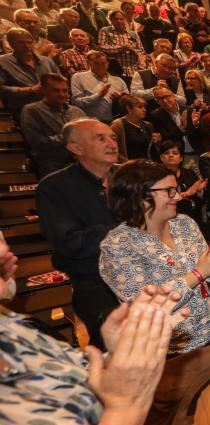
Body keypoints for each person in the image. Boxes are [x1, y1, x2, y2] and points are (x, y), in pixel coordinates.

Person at [0, 257, 188, 425]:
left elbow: (74, 384)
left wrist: (121, 352)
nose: (6, 250)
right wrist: (125, 411)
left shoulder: (13, 327)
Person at [100, 159, 210, 352]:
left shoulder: (184, 224)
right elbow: (144, 305)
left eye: (176, 189)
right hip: (168, 350)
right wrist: (198, 273)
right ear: (139, 196)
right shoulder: (118, 245)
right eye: (169, 191)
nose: (178, 197)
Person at [35, 119, 122, 349]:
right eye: (100, 138)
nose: (111, 143)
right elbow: (70, 243)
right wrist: (124, 231)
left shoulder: (127, 177)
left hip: (142, 273)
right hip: (96, 283)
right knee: (114, 349)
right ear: (76, 148)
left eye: (112, 137)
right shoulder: (54, 187)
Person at [19, 73, 85, 178]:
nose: (62, 94)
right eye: (55, 90)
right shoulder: (32, 110)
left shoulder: (77, 111)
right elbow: (37, 142)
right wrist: (70, 137)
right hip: (50, 165)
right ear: (44, 91)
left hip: (80, 163)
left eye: (64, 91)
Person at [0, 27, 60, 117]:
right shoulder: (3, 62)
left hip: (53, 110)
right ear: (11, 44)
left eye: (29, 42)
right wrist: (31, 90)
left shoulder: (46, 61)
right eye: (20, 43)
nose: (27, 46)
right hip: (22, 112)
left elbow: (60, 80)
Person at [71, 50, 128, 124]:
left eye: (103, 63)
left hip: (117, 122)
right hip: (91, 122)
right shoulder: (78, 77)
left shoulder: (118, 80)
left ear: (108, 64)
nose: (100, 66)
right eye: (96, 63)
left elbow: (129, 100)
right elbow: (76, 102)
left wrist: (121, 97)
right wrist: (98, 95)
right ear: (89, 63)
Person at [157, 139, 206, 225]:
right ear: (161, 157)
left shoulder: (189, 173)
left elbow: (200, 200)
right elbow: (162, 199)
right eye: (167, 153)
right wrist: (188, 193)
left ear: (181, 158)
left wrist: (199, 192)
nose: (171, 155)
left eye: (175, 153)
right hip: (169, 221)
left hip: (193, 218)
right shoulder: (157, 176)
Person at [97, 10, 144, 80]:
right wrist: (121, 48)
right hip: (113, 71)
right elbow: (101, 48)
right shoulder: (105, 31)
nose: (119, 21)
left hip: (132, 70)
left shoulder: (133, 34)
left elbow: (141, 52)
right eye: (116, 19)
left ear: (125, 20)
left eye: (121, 19)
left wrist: (132, 50)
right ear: (111, 20)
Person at [111, 94, 160, 161]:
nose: (144, 110)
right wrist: (127, 162)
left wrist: (157, 140)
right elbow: (111, 148)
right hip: (129, 167)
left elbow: (152, 148)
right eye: (140, 107)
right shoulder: (118, 125)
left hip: (148, 165)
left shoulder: (148, 125)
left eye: (144, 107)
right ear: (128, 108)